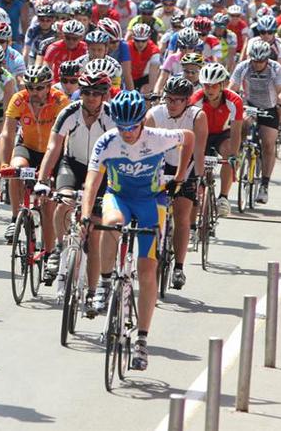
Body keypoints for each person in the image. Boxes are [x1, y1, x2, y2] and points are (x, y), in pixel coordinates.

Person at [81, 90, 194, 371]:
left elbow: (188, 138)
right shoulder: (107, 141)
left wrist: (180, 176)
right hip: (118, 196)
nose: (127, 133)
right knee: (111, 223)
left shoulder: (157, 137)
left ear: (142, 122)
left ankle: (142, 339)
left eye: (132, 127)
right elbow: (92, 182)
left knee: (147, 268)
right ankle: (105, 283)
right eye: (122, 127)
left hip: (151, 202)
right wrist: (85, 216)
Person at [35, 71, 114, 311]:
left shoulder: (112, 116)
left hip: (101, 172)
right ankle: (59, 247)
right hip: (73, 165)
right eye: (86, 92)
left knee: (94, 234)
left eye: (96, 93)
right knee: (63, 203)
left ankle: (92, 292)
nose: (91, 97)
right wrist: (42, 180)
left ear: (104, 95)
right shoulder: (69, 112)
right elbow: (53, 147)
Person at [145, 76, 208, 291]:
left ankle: (179, 267)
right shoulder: (154, 115)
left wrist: (199, 178)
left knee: (182, 215)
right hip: (160, 165)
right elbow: (146, 150)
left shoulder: (197, 116)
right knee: (153, 214)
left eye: (178, 100)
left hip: (186, 166)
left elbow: (198, 151)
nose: (172, 104)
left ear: (187, 101)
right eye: (169, 99)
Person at [0, 65, 69, 253]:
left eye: (39, 88)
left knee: (48, 205)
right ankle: (15, 217)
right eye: (30, 87)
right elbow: (7, 133)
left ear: (48, 87)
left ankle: (49, 253)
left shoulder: (60, 100)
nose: (34, 92)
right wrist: (4, 163)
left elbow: (67, 136)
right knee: (15, 169)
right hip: (28, 148)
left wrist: (55, 167)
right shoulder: (19, 99)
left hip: (52, 152)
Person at [228, 39, 281, 204]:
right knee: (242, 125)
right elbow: (232, 88)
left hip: (269, 107)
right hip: (249, 105)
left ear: (267, 59)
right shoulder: (243, 66)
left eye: (261, 61)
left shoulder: (275, 68)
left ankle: (264, 185)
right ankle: (239, 154)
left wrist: (280, 104)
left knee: (268, 144)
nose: (257, 64)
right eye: (255, 61)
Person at [191, 62, 243, 217]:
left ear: (222, 85)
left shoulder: (234, 100)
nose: (209, 90)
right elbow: (190, 128)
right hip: (202, 133)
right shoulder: (195, 99)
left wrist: (234, 155)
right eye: (206, 85)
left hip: (222, 134)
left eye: (214, 86)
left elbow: (236, 132)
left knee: (229, 152)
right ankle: (198, 190)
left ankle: (223, 198)